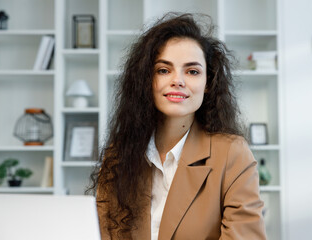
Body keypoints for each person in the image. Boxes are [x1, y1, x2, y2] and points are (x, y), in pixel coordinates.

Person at [89, 13, 267, 239]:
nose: (178, 81)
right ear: (146, 80)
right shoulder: (117, 156)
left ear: (208, 84)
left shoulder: (232, 153)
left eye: (192, 71)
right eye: (164, 70)